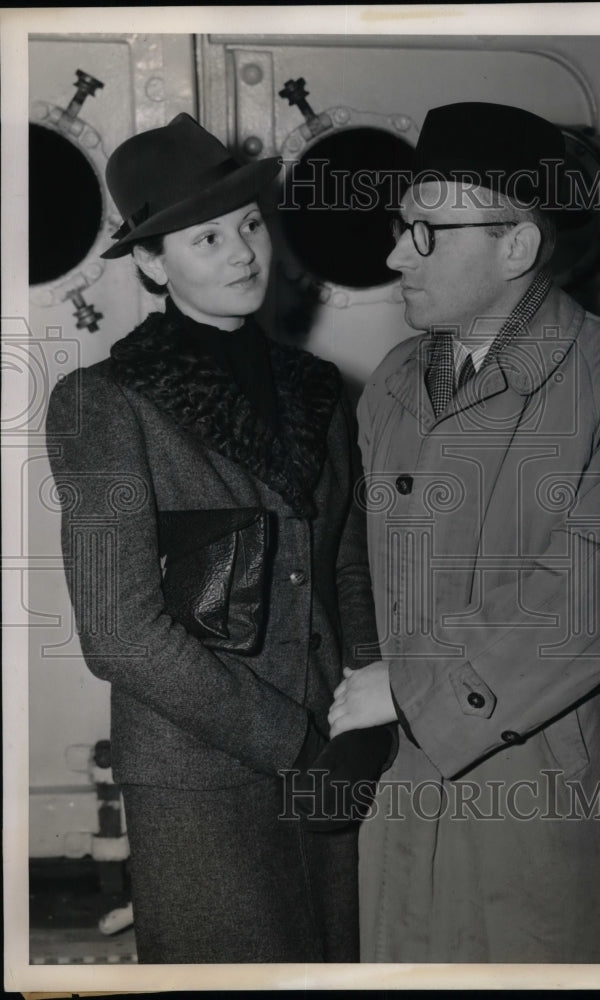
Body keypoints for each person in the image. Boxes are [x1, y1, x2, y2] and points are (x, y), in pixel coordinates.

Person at [328, 103, 600, 963]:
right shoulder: (396, 379)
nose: (397, 255)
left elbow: (597, 598)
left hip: (562, 815)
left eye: (428, 231)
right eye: (402, 227)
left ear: (516, 246)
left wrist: (409, 686)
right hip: (418, 799)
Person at [45, 113, 380, 963]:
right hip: (200, 781)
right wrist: (293, 744)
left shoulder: (317, 389)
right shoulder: (103, 403)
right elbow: (120, 632)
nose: (242, 254)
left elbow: (347, 564)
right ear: (152, 264)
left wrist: (363, 721)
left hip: (334, 767)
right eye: (206, 239)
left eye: (249, 225)